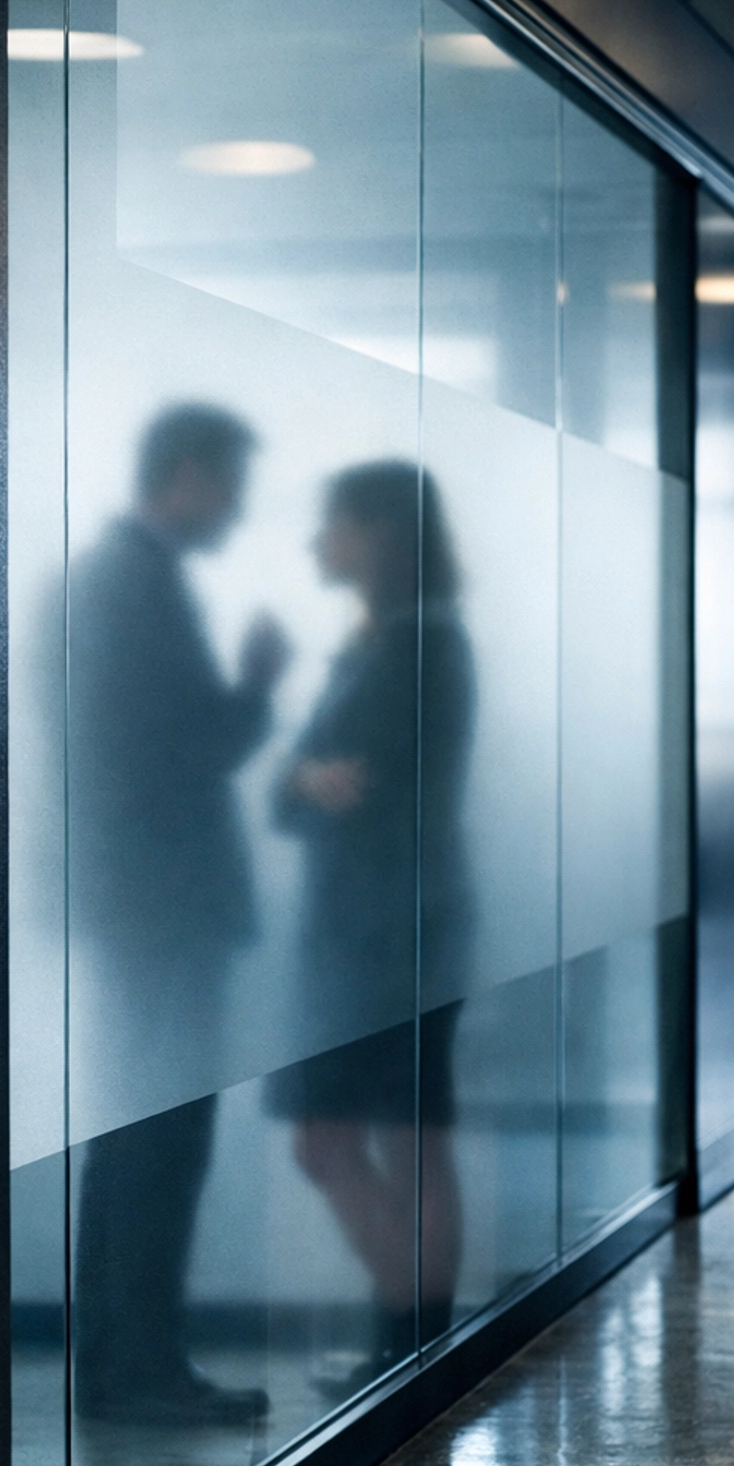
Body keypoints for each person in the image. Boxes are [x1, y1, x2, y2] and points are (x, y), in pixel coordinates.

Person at [67, 404, 290, 1426]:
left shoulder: (117, 580)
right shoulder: (131, 586)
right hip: (158, 911)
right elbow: (180, 754)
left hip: (137, 907)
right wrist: (255, 686)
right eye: (231, 489)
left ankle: (124, 1363)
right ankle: (139, 1371)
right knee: (156, 1140)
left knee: (136, 1135)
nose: (235, 514)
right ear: (189, 475)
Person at [269, 462, 474, 1388]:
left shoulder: (411, 649)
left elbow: (348, 791)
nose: (320, 541)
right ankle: (412, 1338)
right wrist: (301, 780)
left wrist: (303, 782)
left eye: (335, 523)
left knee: (365, 1136)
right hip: (383, 929)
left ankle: (412, 1340)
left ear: (380, 534)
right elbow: (297, 791)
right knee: (382, 1135)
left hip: (387, 936)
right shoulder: (391, 642)